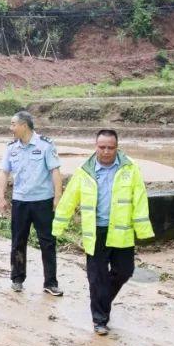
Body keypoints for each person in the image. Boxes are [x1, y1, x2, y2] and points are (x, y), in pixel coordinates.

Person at [52, 129, 154, 335]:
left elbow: (140, 199)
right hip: (95, 232)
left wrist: (143, 230)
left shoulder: (130, 169)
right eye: (102, 147)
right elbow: (69, 199)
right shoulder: (85, 171)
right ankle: (100, 319)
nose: (106, 151)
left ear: (117, 147)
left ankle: (102, 299)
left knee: (125, 271)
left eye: (111, 147)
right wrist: (58, 226)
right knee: (97, 277)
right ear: (95, 146)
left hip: (121, 232)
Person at [0, 111, 64, 296]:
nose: (11, 128)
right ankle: (17, 279)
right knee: (18, 241)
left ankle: (50, 282)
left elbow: (55, 171)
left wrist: (58, 197)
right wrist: (0, 196)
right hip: (20, 202)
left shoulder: (45, 145)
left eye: (13, 124)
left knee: (48, 242)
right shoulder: (11, 148)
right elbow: (4, 172)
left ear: (24, 125)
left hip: (43, 202)